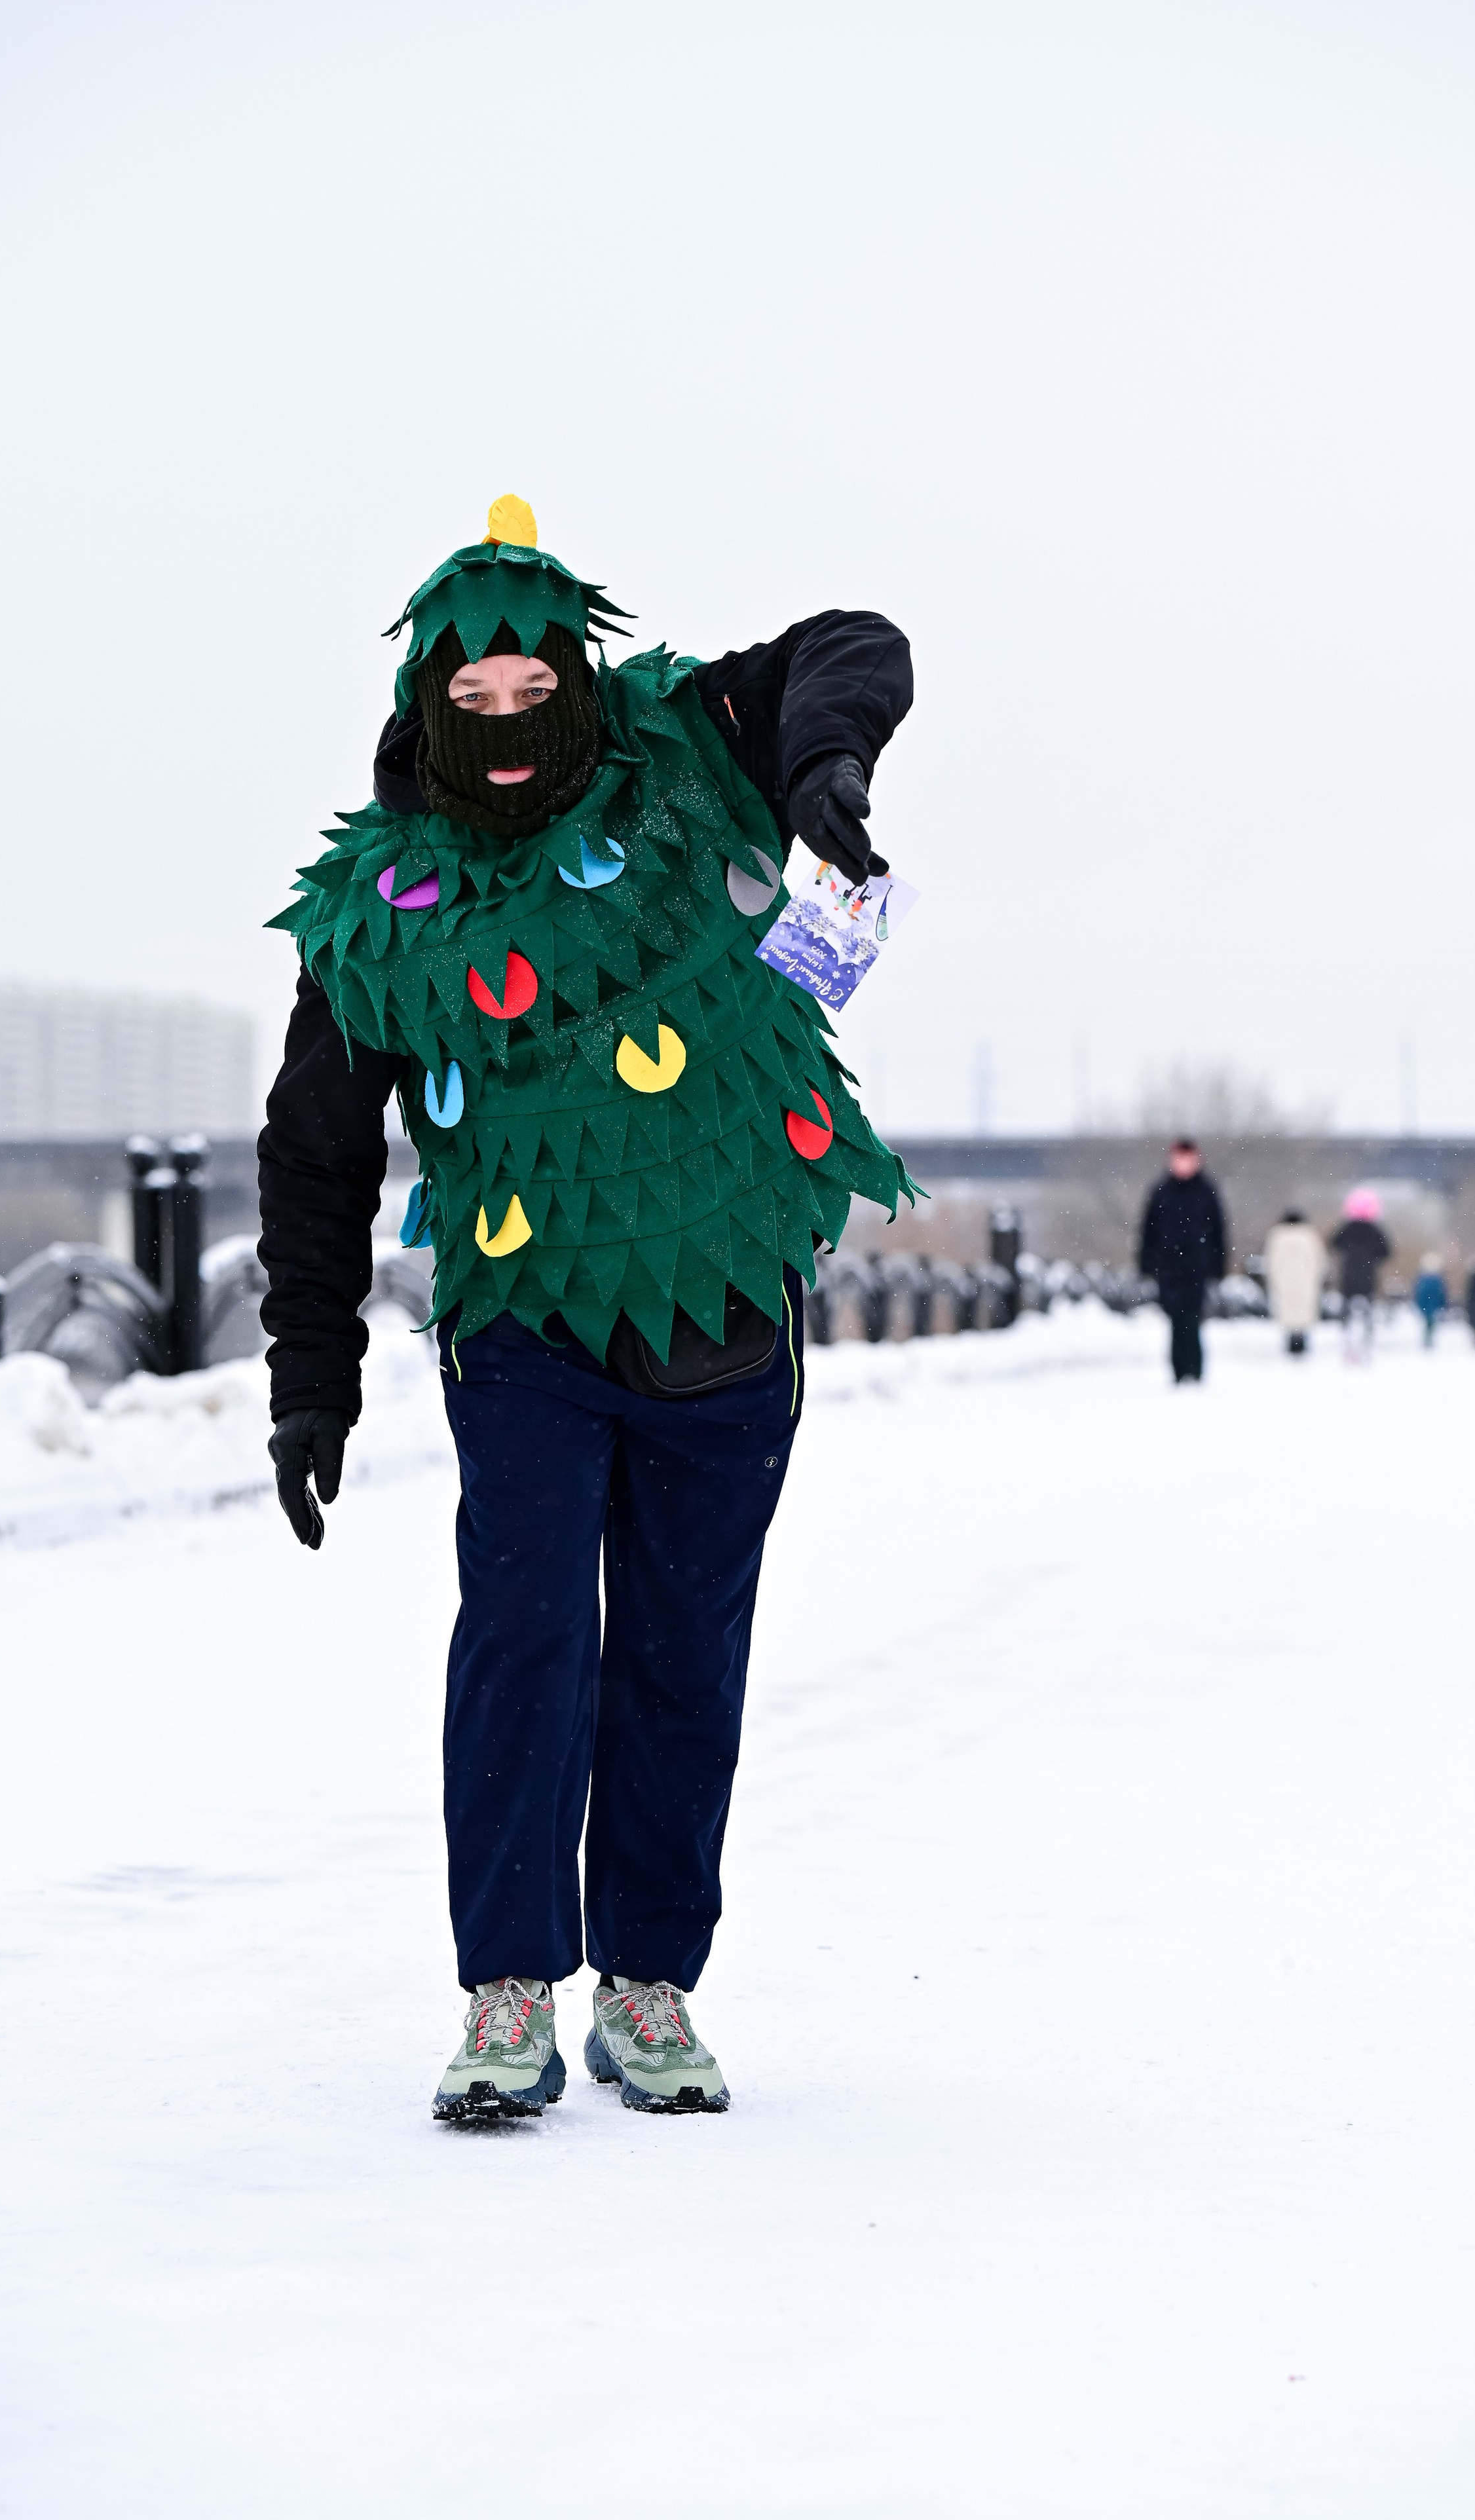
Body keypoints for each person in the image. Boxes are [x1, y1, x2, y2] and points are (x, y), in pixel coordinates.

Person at [257, 497, 916, 2123]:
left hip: (727, 1310)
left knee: (684, 1651)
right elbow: (317, 1152)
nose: (505, 726)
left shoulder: (687, 750)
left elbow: (854, 646)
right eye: (470, 700)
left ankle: (646, 1980)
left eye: (533, 691)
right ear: (425, 705)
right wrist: (308, 1374)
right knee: (527, 1639)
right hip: (523, 1329)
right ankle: (506, 1985)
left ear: (578, 678)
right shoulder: (380, 913)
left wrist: (820, 768)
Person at [1136, 1140, 1227, 1382]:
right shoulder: (1161, 1192)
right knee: (1176, 1318)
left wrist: (1217, 1266)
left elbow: (1218, 1232)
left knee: (1192, 1317)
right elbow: (1148, 1232)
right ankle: (1178, 1369)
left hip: (1197, 1267)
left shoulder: (1206, 1191)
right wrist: (1147, 1264)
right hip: (1169, 1267)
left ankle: (1194, 1369)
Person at [1330, 1187, 1391, 1360]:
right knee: (1368, 1309)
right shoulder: (1375, 1230)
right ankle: (1367, 1338)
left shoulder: (1347, 1229)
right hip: (1368, 1276)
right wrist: (1372, 1258)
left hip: (1349, 1275)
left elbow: (1334, 1244)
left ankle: (1347, 1336)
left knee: (1346, 1308)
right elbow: (1386, 1252)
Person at [1264, 1208, 1324, 1356]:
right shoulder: (1309, 1236)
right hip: (1305, 1280)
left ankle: (1291, 1341)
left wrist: (1275, 1279)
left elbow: (1272, 1261)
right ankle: (1301, 1340)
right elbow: (1318, 1260)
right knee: (1304, 1310)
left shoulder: (1277, 1236)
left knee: (1287, 1309)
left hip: (1284, 1279)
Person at [1413, 1251, 1449, 1347]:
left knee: (1430, 1323)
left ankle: (1428, 1340)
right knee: (1429, 1322)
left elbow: (1441, 1294)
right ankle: (1428, 1340)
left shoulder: (1428, 1280)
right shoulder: (1428, 1280)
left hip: (1431, 1305)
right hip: (1429, 1305)